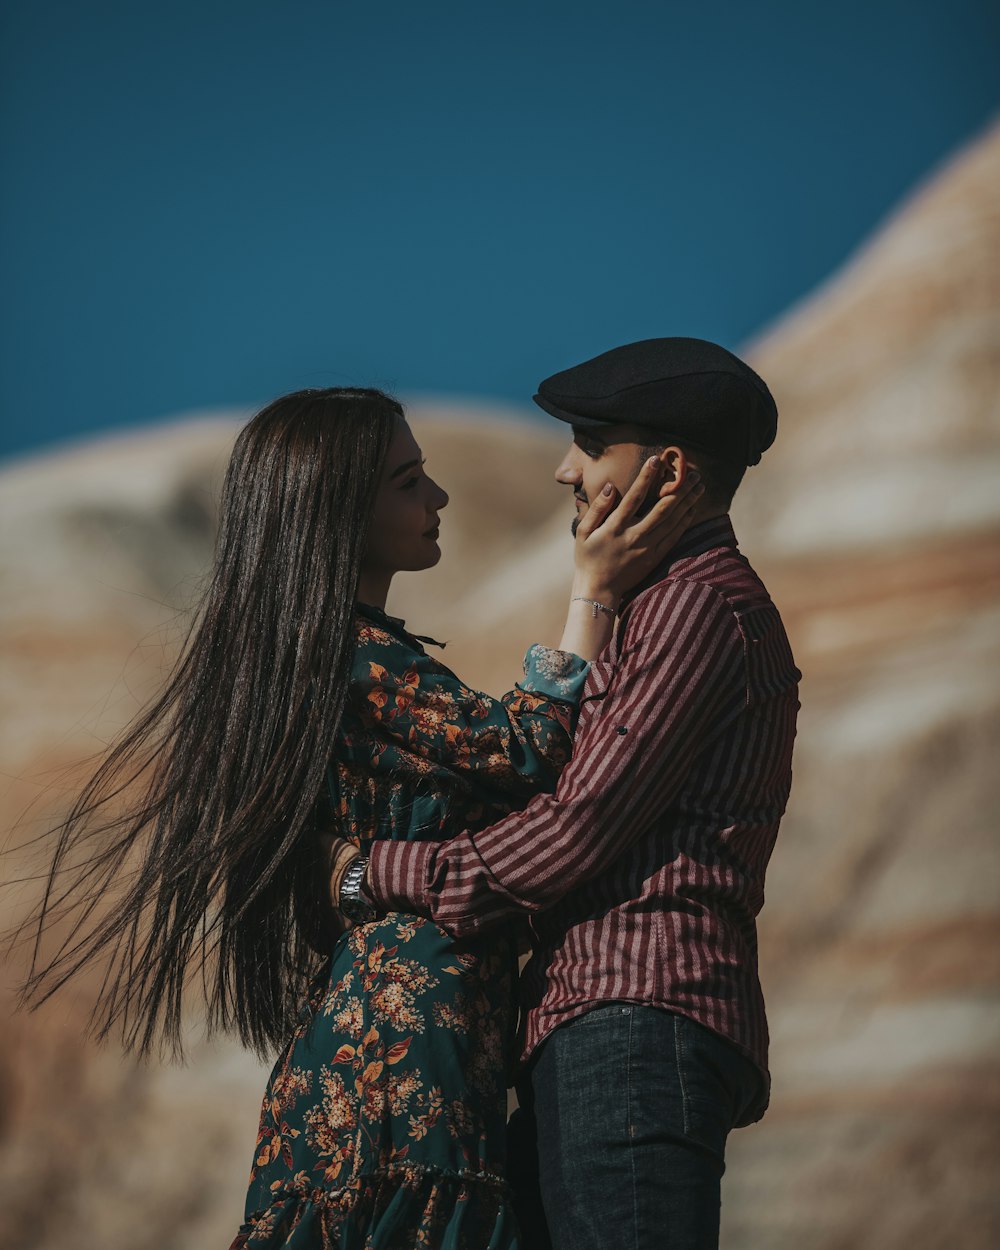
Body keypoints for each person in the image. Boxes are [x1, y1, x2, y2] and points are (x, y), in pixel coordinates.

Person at [18, 386, 701, 1249]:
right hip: (408, 1042)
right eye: (408, 482)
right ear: (338, 512)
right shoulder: (352, 655)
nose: (439, 499)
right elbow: (524, 752)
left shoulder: (311, 658)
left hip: (361, 1039)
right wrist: (592, 591)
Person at [327, 339, 802, 1250]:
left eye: (589, 442)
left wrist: (369, 873)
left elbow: (572, 834)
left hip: (633, 1013)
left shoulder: (693, 606)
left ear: (665, 468)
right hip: (603, 1020)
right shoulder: (655, 601)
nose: (564, 469)